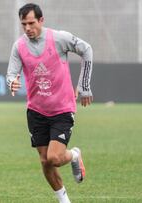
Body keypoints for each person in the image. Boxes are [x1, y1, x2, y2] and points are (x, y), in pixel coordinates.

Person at [6, 3, 93, 203]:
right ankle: (64, 201)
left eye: (31, 23)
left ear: (41, 20)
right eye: (23, 24)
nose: (27, 28)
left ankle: (73, 155)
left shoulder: (59, 38)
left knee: (55, 157)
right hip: (36, 111)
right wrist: (12, 82)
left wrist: (85, 85)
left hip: (62, 109)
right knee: (45, 161)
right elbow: (11, 73)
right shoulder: (19, 46)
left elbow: (86, 50)